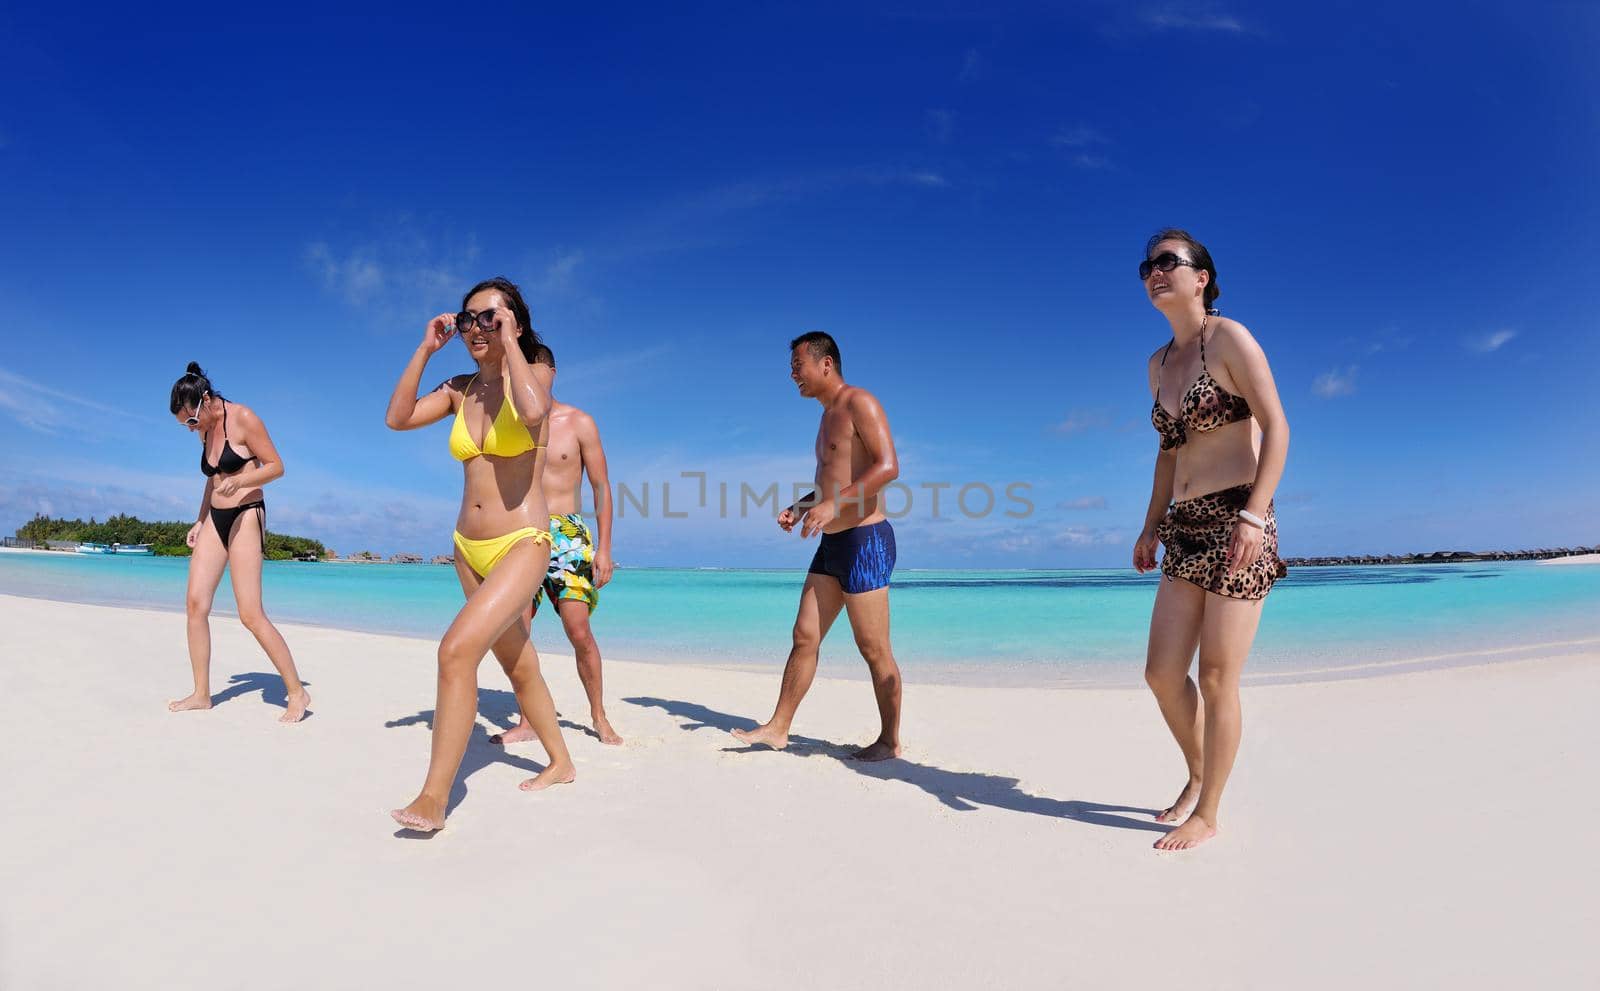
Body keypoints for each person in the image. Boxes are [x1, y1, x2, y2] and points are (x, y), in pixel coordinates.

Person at [384, 277, 574, 832]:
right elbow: (398, 418)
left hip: (523, 541)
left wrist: (512, 342)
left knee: (455, 652)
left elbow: (537, 414)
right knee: (517, 664)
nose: (476, 329)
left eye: (489, 318)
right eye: (468, 320)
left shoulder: (534, 370)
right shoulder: (460, 388)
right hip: (468, 548)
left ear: (512, 320)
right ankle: (561, 761)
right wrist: (426, 348)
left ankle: (433, 798)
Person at [1132, 229, 1289, 851]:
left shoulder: (1229, 339)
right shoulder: (1157, 364)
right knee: (1163, 673)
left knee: (1219, 677)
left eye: (1169, 262)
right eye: (1148, 265)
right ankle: (1198, 774)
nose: (1155, 272)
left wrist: (1254, 516)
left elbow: (1277, 427)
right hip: (1185, 526)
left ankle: (1210, 809)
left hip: (1238, 520)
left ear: (1202, 277)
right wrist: (1150, 526)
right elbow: (1168, 455)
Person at [732, 332, 903, 761]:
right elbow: (829, 484)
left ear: (825, 363)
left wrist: (833, 504)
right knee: (804, 635)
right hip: (831, 542)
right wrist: (800, 506)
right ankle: (778, 727)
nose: (793, 375)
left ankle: (890, 740)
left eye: (797, 366)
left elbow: (888, 467)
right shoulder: (826, 416)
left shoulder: (859, 402)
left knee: (874, 649)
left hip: (866, 539)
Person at [491, 343, 621, 746]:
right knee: (519, 635)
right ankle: (529, 721)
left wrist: (604, 549)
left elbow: (601, 487)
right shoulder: (510, 423)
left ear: (550, 370)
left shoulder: (579, 421)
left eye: (533, 366)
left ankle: (599, 716)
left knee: (578, 629)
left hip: (567, 536)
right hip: (521, 531)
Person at [167, 363, 311, 723]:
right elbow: (213, 479)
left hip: (247, 513)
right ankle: (202, 694)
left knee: (250, 613)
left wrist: (244, 484)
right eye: (185, 425)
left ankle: (297, 692)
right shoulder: (205, 429)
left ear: (205, 400)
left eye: (190, 421)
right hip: (216, 518)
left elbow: (277, 466)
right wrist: (200, 520)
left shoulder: (243, 417)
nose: (190, 429)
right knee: (195, 604)